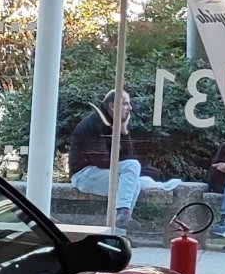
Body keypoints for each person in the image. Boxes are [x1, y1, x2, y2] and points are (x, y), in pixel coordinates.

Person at [67, 90, 176, 227]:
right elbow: (101, 161)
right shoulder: (94, 124)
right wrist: (127, 166)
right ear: (112, 106)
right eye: (125, 104)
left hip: (99, 172)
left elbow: (127, 158)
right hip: (84, 175)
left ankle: (120, 227)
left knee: (133, 182)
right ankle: (122, 214)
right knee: (132, 173)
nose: (130, 108)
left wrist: (124, 131)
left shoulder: (112, 123)